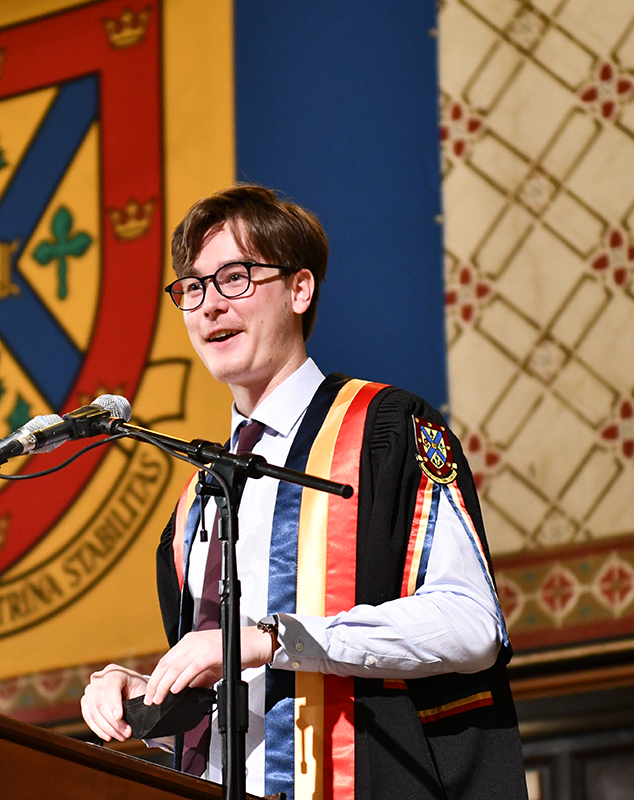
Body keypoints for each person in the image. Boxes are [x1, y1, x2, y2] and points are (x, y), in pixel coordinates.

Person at [80, 185, 527, 799]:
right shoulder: (194, 505)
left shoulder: (385, 431)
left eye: (234, 277)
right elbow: (229, 715)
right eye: (193, 287)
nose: (209, 305)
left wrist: (274, 639)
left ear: (299, 289)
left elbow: (472, 625)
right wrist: (149, 701)